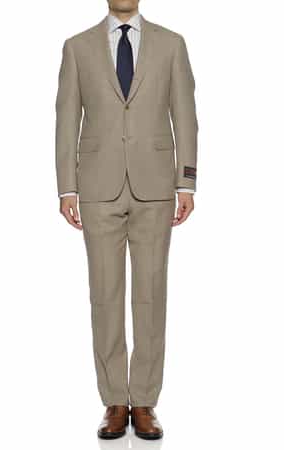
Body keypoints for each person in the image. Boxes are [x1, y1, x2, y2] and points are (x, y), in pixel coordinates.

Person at [55, 0, 198, 440]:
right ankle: (115, 400)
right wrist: (66, 188)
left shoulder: (171, 45)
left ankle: (146, 401)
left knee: (151, 294)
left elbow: (185, 114)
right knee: (105, 295)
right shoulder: (77, 47)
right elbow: (66, 118)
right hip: (97, 188)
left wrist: (186, 182)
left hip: (155, 186)